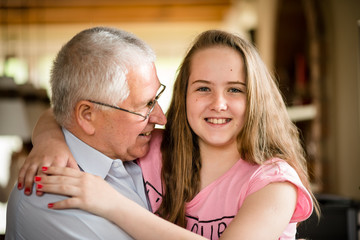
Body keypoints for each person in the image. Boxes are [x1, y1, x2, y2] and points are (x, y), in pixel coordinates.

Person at [16, 30, 319, 239]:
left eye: (235, 90)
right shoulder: (154, 151)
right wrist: (49, 138)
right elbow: (67, 113)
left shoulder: (274, 184)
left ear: (256, 98)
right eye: (202, 88)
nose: (219, 104)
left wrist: (111, 203)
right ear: (183, 94)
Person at [5, 26, 167, 239]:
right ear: (87, 115)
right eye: (145, 105)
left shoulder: (146, 151)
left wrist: (48, 133)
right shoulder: (48, 200)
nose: (161, 118)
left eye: (156, 98)